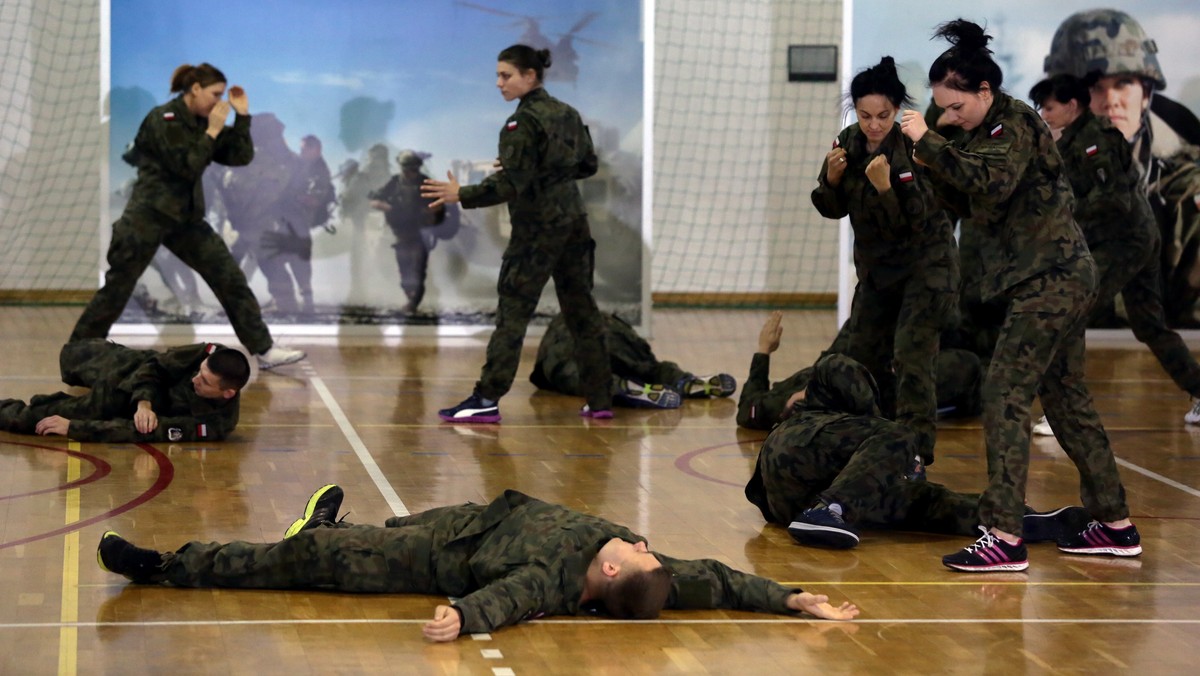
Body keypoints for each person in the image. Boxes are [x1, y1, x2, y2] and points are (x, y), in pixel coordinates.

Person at [900, 20, 1141, 572]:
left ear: (984, 92)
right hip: (1053, 278)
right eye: (943, 109)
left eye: (957, 106)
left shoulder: (1016, 125)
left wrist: (930, 143)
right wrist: (925, 164)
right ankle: (1116, 526)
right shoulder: (980, 137)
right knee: (1066, 401)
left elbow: (991, 184)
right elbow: (968, 205)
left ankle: (1004, 536)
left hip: (1052, 279)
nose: (949, 116)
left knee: (1003, 392)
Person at [96, 485, 860, 641]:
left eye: (641, 551)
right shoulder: (652, 574)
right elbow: (720, 581)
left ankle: (166, 565)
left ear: (617, 575)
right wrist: (792, 598)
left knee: (302, 559)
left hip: (433, 557)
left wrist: (462, 616)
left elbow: (510, 599)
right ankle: (336, 526)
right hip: (467, 516)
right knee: (357, 531)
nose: (645, 543)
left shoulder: (558, 579)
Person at [69, 64, 304, 370]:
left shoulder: (205, 122)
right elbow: (187, 166)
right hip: (148, 216)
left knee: (230, 278)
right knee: (118, 286)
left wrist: (243, 117)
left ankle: (264, 349)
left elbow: (240, 156)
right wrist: (213, 131)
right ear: (195, 89)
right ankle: (77, 354)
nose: (219, 101)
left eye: (223, 95)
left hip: (185, 221)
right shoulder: (163, 119)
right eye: (215, 94)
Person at [422, 45, 613, 422]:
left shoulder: (520, 122)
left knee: (513, 312)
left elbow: (511, 184)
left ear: (530, 76)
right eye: (497, 75)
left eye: (506, 75)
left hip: (536, 230)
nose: (499, 83)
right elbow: (587, 165)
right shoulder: (568, 113)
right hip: (574, 223)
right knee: (582, 312)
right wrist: (541, 171)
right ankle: (601, 398)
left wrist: (462, 194)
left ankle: (486, 398)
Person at [745, 351, 1090, 554]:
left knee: (917, 500)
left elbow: (758, 493)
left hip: (786, 506)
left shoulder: (786, 427)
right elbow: (891, 436)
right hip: (818, 502)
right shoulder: (835, 425)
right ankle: (829, 510)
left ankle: (1003, 517)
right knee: (900, 439)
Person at [1028, 75, 1200, 435]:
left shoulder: (1094, 141)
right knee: (1149, 325)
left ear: (1072, 106)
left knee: (1072, 312)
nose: (1043, 114)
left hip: (1126, 243)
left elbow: (1113, 200)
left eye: (1049, 107)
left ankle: (1065, 414)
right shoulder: (1073, 139)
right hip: (1132, 239)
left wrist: (1067, 212)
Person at [811, 56, 959, 466]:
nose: (873, 124)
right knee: (861, 354)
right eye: (864, 115)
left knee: (912, 357)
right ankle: (872, 441)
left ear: (897, 111)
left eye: (883, 115)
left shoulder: (915, 147)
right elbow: (830, 207)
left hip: (927, 269)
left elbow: (913, 226)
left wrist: (885, 190)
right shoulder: (848, 141)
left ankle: (915, 454)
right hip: (878, 272)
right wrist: (832, 180)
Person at [1045, 9, 1200, 328]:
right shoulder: (1028, 171)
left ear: (1146, 93)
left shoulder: (1185, 184)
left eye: (1125, 83)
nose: (1111, 100)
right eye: (1095, 86)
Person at [738, 313, 982, 431]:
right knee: (966, 362)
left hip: (838, 361)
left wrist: (764, 351)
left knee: (865, 317)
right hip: (886, 384)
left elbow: (747, 410)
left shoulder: (774, 407)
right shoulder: (845, 422)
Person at [0, 339, 248, 442]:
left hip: (118, 400)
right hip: (135, 367)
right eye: (199, 372)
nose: (196, 380)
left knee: (38, 418)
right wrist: (144, 403)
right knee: (72, 355)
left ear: (227, 393)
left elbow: (138, 431)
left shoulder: (216, 423)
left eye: (204, 381)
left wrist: (73, 427)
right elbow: (156, 365)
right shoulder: (210, 353)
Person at [530, 312, 736, 410]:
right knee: (649, 367)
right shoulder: (605, 314)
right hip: (616, 333)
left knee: (573, 373)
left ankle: (622, 387)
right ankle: (684, 380)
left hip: (568, 340)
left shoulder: (559, 325)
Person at [369, 150, 446, 314]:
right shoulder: (395, 182)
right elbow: (375, 198)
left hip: (421, 233)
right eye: (407, 169)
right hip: (401, 233)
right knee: (404, 273)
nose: (410, 173)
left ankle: (413, 303)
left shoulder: (426, 183)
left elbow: (440, 204)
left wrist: (430, 211)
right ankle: (410, 297)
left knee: (418, 271)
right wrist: (385, 207)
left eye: (413, 169)